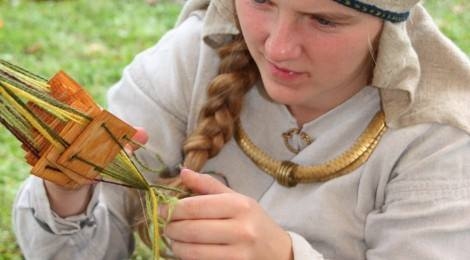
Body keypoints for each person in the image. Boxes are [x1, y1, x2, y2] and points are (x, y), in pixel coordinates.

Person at [13, 0, 470, 259]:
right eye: (263, 2)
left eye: (324, 20)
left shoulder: (440, 135)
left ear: (387, 24)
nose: (278, 46)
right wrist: (70, 191)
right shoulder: (192, 60)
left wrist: (284, 257)